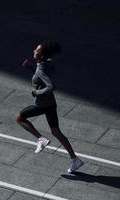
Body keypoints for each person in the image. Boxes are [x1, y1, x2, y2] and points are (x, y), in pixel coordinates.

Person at [16, 41, 84, 173]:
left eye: (36, 51)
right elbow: (40, 76)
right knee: (56, 131)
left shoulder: (41, 68)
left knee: (19, 118)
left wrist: (36, 92)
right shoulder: (45, 64)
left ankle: (41, 139)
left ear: (41, 55)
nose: (33, 51)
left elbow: (50, 86)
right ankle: (75, 159)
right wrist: (30, 68)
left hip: (42, 105)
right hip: (51, 103)